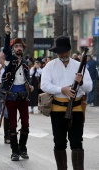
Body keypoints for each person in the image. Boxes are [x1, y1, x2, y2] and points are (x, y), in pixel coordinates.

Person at [40, 36, 92, 170]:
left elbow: (89, 87)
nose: (61, 54)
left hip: (76, 109)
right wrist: (61, 89)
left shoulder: (78, 65)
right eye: (59, 52)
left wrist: (80, 82)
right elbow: (44, 85)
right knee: (59, 143)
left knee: (76, 143)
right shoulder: (50, 66)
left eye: (63, 51)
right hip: (57, 109)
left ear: (69, 50)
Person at [0, 24, 34, 161]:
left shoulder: (25, 62)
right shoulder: (9, 59)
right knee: (13, 125)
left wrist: (30, 86)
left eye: (20, 46)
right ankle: (14, 151)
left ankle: (22, 148)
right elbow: (5, 49)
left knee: (25, 123)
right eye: (16, 46)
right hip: (11, 98)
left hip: (23, 97)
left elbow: (27, 78)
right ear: (13, 49)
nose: (19, 48)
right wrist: (7, 35)